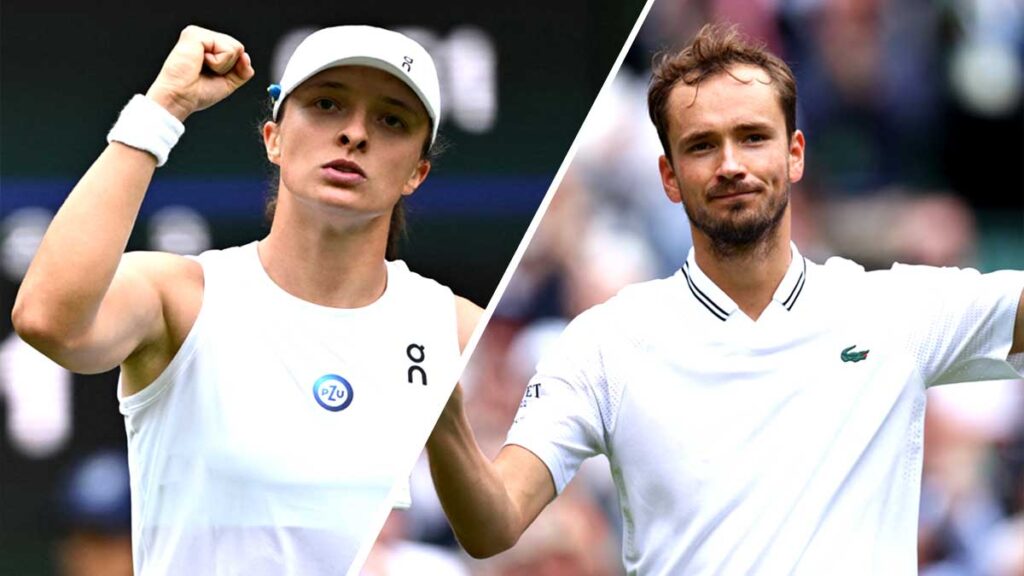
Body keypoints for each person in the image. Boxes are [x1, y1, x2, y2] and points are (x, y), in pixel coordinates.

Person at [425, 23, 1024, 574]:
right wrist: (440, 414)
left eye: (753, 137)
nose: (731, 164)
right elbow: (492, 523)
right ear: (668, 174)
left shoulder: (893, 310)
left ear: (794, 155)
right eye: (703, 145)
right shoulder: (603, 344)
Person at [12, 24, 481, 574]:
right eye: (327, 104)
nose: (355, 133)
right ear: (273, 138)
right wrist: (163, 108)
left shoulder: (453, 329)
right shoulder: (181, 298)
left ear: (416, 173)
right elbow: (48, 320)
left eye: (391, 119)